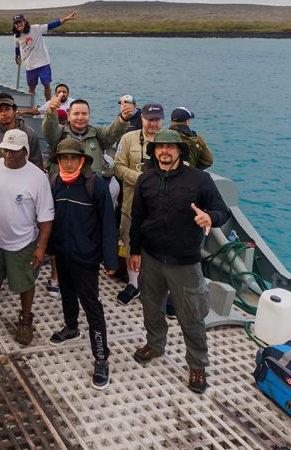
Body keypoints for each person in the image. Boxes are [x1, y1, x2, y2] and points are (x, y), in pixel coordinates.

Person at [129, 130, 230, 394]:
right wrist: (135, 251)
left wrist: (210, 217)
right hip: (151, 257)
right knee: (151, 307)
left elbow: (222, 210)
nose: (165, 151)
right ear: (154, 151)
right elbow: (137, 218)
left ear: (179, 151)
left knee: (192, 316)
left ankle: (197, 364)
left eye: (170, 148)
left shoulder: (200, 180)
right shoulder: (145, 180)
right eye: (160, 147)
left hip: (185, 263)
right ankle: (155, 343)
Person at [47, 139, 117, 391]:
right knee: (67, 292)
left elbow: (109, 223)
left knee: (92, 305)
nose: (68, 162)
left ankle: (101, 357)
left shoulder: (94, 185)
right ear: (58, 161)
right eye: (63, 158)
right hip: (62, 253)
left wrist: (110, 259)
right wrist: (47, 248)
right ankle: (71, 327)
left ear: (81, 160)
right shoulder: (53, 182)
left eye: (73, 158)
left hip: (86, 257)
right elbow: (48, 218)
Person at [0, 129, 54, 346]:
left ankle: (25, 318)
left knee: (25, 282)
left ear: (26, 152)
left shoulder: (38, 177)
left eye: (14, 151)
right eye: (5, 149)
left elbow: (46, 217)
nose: (8, 154)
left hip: (23, 242)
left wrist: (41, 248)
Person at [113, 102, 164, 305]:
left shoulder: (169, 141)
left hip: (160, 206)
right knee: (130, 241)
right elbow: (118, 167)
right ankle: (134, 284)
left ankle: (156, 284)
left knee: (159, 245)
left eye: (156, 120)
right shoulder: (128, 139)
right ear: (141, 118)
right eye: (149, 119)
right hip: (131, 204)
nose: (152, 124)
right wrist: (141, 179)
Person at [41, 97, 129, 179]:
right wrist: (51, 112)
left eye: (84, 114)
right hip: (64, 185)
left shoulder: (97, 134)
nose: (80, 117)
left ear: (89, 115)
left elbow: (112, 133)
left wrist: (123, 119)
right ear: (68, 115)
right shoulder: (59, 133)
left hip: (92, 185)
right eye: (76, 114)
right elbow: (49, 129)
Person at [0, 93, 44, 176]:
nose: (4, 114)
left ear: (14, 110)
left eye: (7, 109)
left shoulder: (30, 134)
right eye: (0, 111)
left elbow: (36, 164)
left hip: (23, 180)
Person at [12, 11, 77, 103]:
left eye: (20, 22)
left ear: (25, 22)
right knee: (31, 88)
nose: (19, 24)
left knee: (46, 85)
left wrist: (65, 19)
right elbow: (17, 47)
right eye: (16, 23)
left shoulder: (35, 29)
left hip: (43, 63)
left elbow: (51, 25)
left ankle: (48, 106)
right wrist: (16, 56)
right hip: (30, 65)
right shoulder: (16, 36)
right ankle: (31, 106)